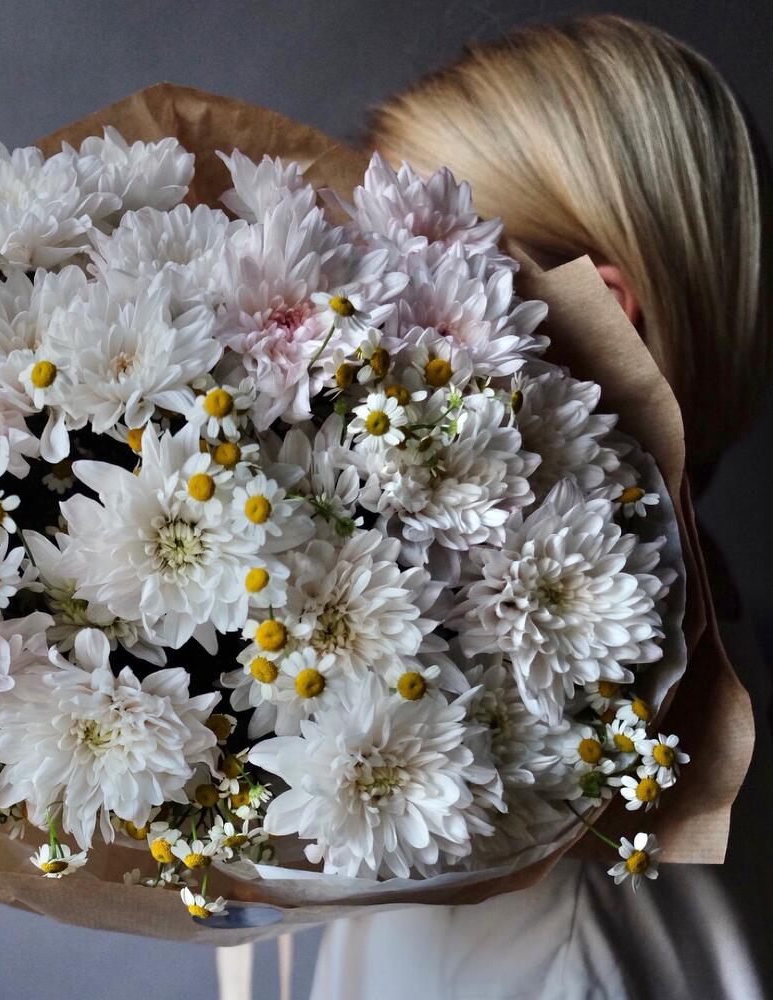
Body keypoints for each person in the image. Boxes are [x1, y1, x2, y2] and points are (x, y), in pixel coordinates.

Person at [309, 15, 773, 1000]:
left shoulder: (546, 927)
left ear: (593, 333)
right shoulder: (715, 675)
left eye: (404, 296)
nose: (350, 344)